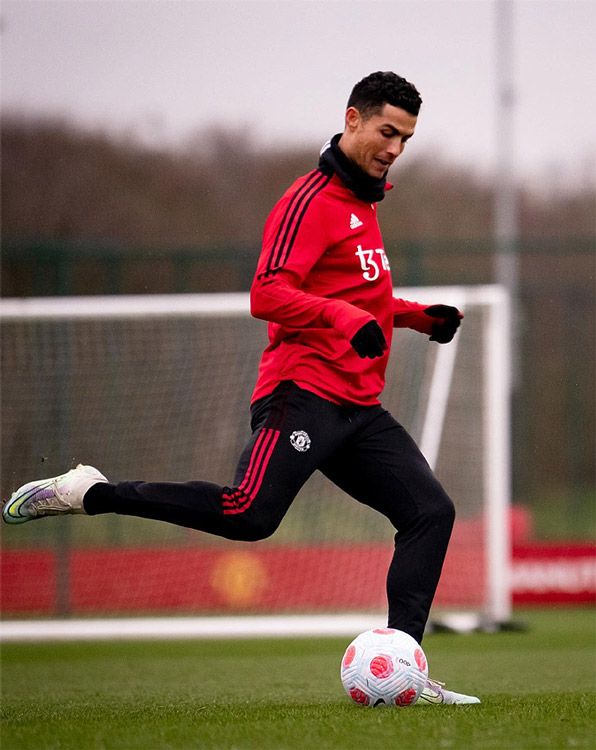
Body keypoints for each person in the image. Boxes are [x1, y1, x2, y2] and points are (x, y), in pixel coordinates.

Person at [4, 71, 479, 705]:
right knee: (248, 516)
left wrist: (415, 315)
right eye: (387, 132)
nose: (394, 148)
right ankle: (92, 492)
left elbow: (355, 295)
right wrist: (345, 320)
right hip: (301, 391)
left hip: (358, 407)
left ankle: (405, 670)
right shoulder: (309, 200)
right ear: (354, 119)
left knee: (429, 513)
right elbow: (268, 293)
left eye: (406, 139)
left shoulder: (364, 207)